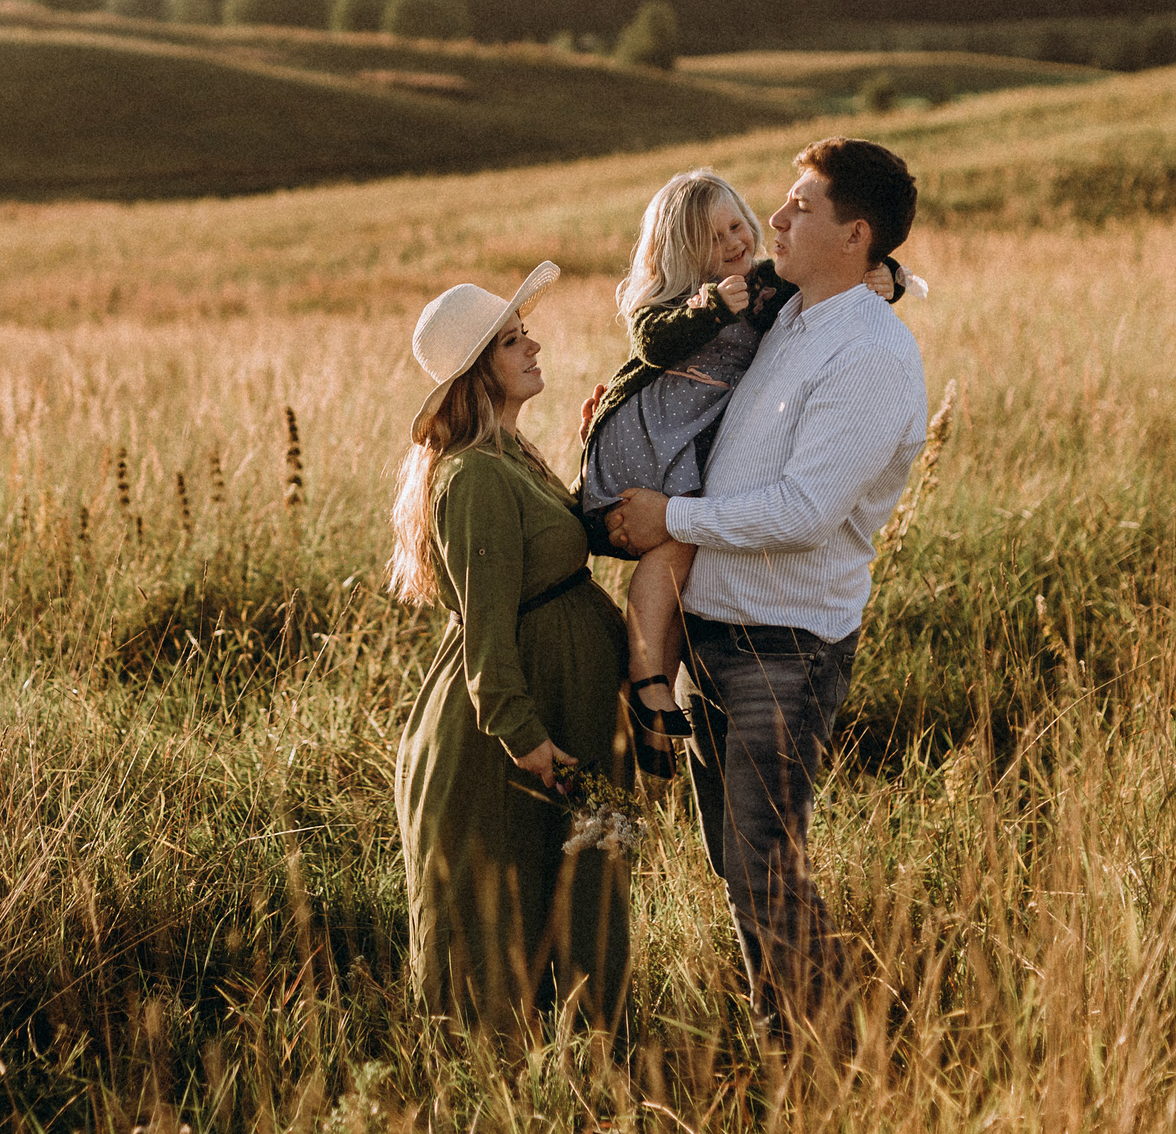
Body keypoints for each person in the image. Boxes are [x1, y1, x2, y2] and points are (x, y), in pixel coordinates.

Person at [604, 138, 928, 1041]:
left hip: (781, 647)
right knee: (736, 856)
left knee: (762, 864)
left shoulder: (868, 353)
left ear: (854, 234)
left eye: (799, 208)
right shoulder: (793, 316)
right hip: (719, 636)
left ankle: (819, 1055)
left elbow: (805, 510)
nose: (775, 220)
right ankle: (782, 1027)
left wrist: (674, 514)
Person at [577, 170, 904, 776]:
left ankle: (654, 699)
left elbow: (830, 280)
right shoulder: (674, 301)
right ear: (679, 252)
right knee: (673, 545)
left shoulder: (765, 286)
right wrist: (705, 307)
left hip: (695, 446)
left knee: (681, 553)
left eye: (736, 225)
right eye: (711, 236)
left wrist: (888, 276)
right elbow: (650, 342)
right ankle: (648, 681)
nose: (732, 242)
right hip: (655, 443)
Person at [389, 261, 633, 1039]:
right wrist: (533, 746)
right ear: (475, 375)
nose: (533, 346)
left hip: (570, 718)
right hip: (512, 746)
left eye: (525, 332)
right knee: (503, 945)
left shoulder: (514, 457)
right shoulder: (475, 478)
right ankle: (507, 1114)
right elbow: (488, 636)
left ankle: (599, 1062)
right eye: (510, 340)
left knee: (594, 890)